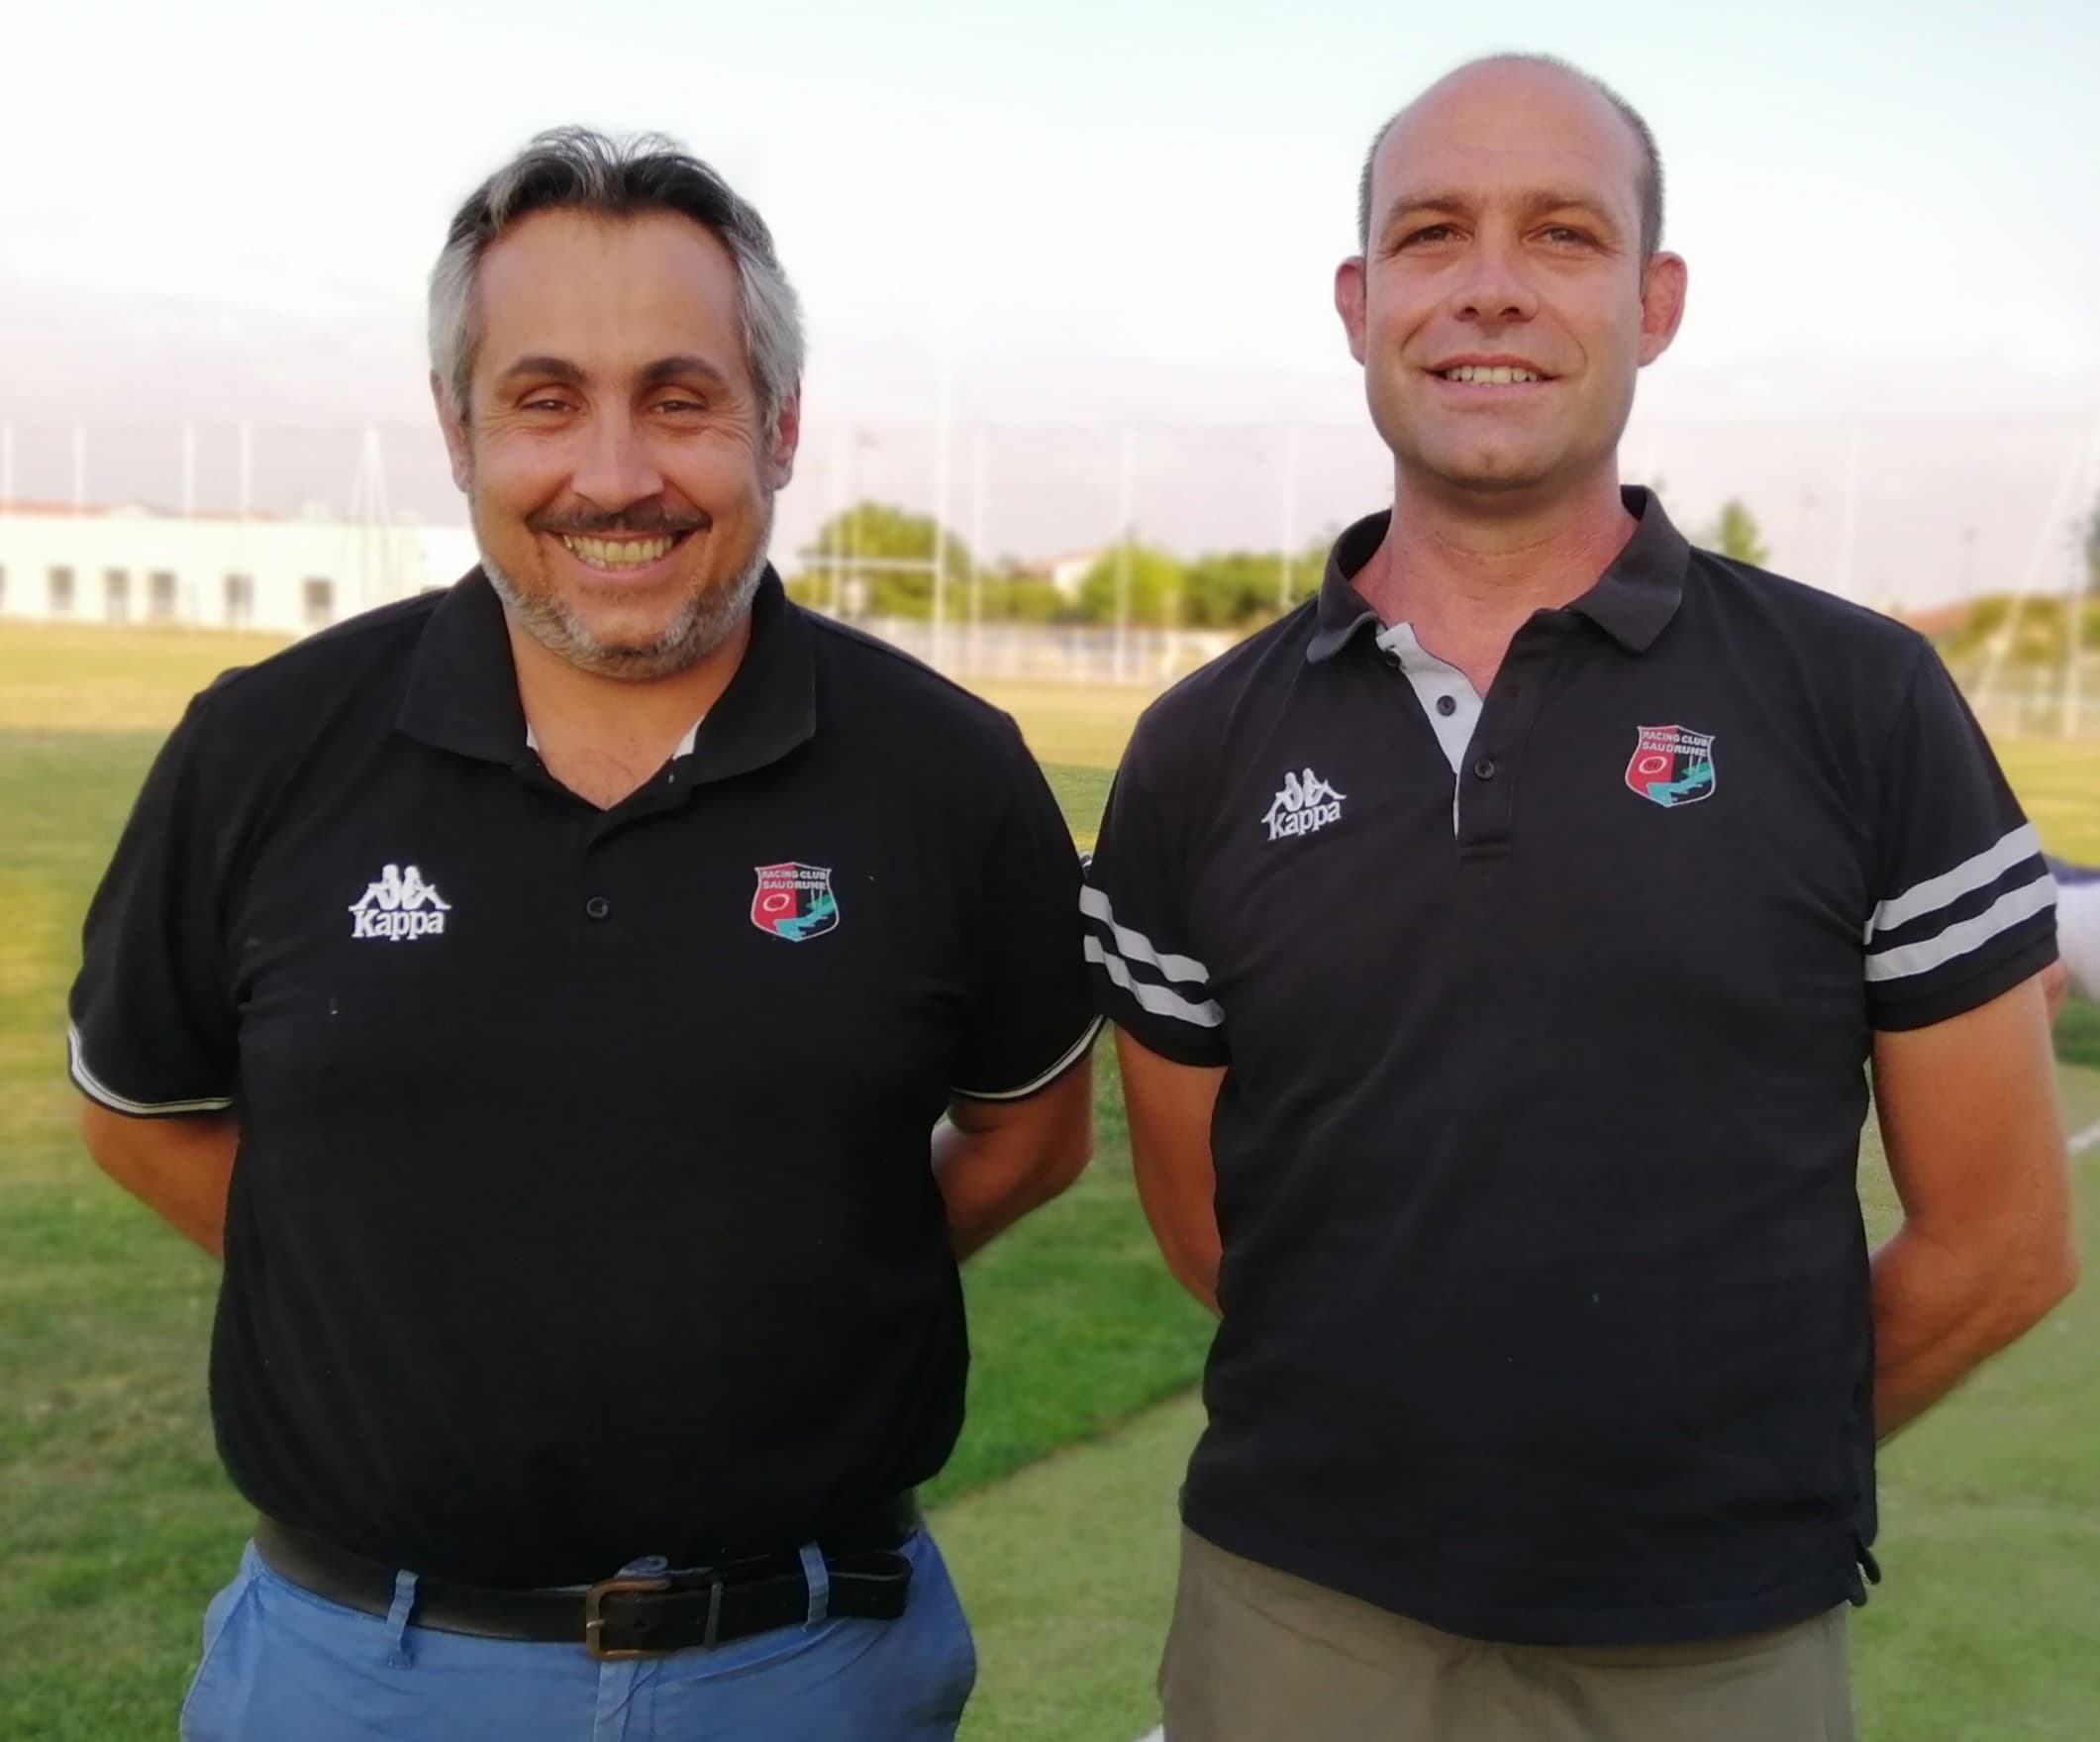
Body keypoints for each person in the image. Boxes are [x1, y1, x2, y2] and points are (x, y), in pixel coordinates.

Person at [1082, 54, 2076, 1742]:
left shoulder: (1860, 699)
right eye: (1431, 233)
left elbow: (1999, 1243)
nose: (1488, 285)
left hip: (1713, 1645)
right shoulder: (1194, 750)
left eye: (1558, 233)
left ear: (1652, 297)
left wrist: (1725, 1475)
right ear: (1358, 299)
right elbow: (1216, 1230)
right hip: (1292, 1618)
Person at [69, 127, 1097, 1742]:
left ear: (778, 427)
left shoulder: (947, 773)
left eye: (678, 400)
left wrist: (799, 1285)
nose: (614, 474)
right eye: (544, 399)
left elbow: (1031, 1134)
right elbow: (138, 1117)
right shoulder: (260, 750)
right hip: (355, 1672)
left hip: (807, 1671)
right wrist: (404, 1296)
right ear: (457, 428)